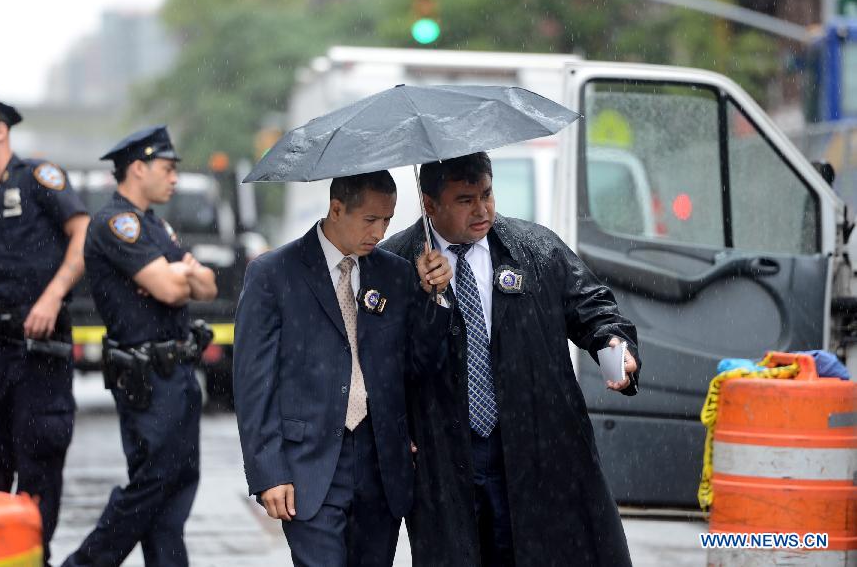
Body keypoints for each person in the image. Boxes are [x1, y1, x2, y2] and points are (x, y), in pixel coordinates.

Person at [382, 152, 641, 567]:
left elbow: (592, 306)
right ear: (430, 205)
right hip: (444, 453)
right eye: (465, 199)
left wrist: (614, 343)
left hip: (529, 440)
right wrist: (426, 299)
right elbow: (383, 363)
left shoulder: (535, 248)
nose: (482, 209)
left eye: (487, 194)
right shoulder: (394, 264)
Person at [234, 170, 453, 567]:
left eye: (387, 220)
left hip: (380, 462)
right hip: (309, 463)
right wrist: (268, 470)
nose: (380, 231)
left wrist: (434, 299)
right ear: (336, 209)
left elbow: (418, 365)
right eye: (371, 219)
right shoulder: (273, 274)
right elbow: (254, 383)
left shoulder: (395, 273)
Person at [61, 126, 217, 567]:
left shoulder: (155, 224)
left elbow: (205, 284)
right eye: (167, 169)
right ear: (137, 168)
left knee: (177, 489)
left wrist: (180, 275)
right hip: (147, 378)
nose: (173, 178)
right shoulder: (116, 222)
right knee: (153, 484)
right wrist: (179, 274)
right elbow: (171, 289)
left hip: (178, 373)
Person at [0, 94, 89, 564]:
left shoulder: (38, 178)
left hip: (39, 353)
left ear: (0, 130)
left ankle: (36, 557)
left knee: (39, 471)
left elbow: (83, 231)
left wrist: (52, 297)